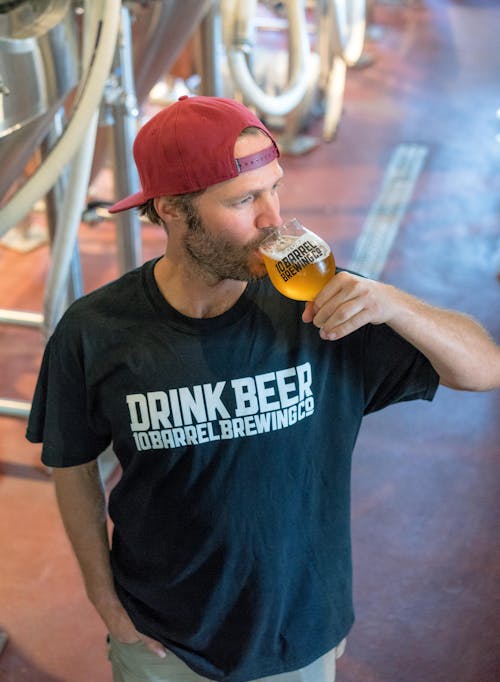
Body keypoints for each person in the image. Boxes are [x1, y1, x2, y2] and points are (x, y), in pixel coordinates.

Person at [26, 95, 500, 682]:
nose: (273, 218)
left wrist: (393, 303)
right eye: (245, 199)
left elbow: (484, 369)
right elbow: (70, 464)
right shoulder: (96, 329)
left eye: (275, 188)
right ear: (173, 209)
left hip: (296, 637)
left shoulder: (325, 309)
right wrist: (107, 604)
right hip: (160, 643)